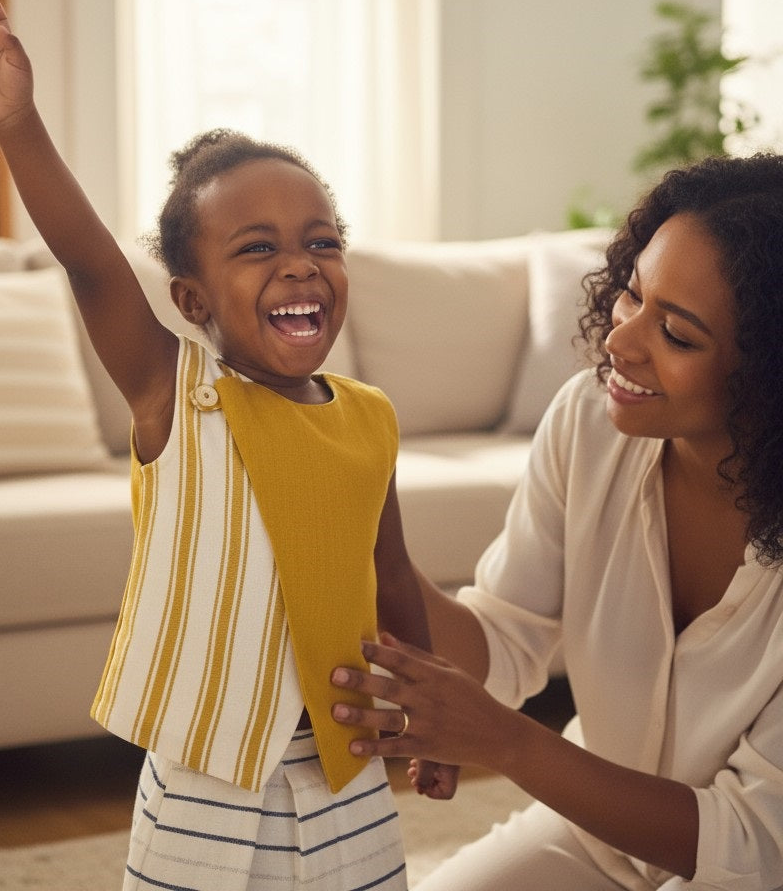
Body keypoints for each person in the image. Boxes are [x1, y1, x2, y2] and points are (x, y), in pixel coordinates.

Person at [0, 0, 450, 891]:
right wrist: (17, 122)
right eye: (257, 248)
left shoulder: (371, 416)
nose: (299, 263)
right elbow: (89, 262)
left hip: (345, 757)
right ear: (192, 301)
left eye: (322, 241)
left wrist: (430, 716)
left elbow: (391, 578)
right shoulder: (177, 394)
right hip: (209, 764)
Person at [330, 152, 783, 891]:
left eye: (677, 335)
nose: (620, 341)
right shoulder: (588, 423)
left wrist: (505, 742)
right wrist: (372, 543)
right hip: (597, 838)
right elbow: (503, 638)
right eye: (632, 297)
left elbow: (753, 844)